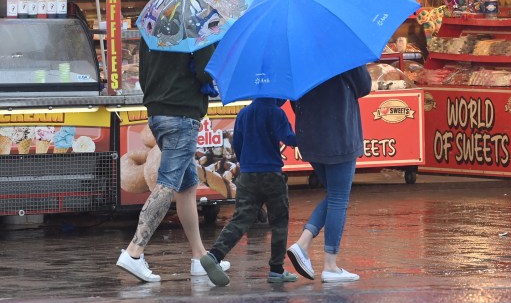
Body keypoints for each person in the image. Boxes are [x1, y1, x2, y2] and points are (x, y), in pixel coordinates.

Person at [116, 39, 227, 282]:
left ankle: (199, 257)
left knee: (187, 186)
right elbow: (205, 71)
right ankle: (134, 252)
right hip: (183, 114)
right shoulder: (197, 28)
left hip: (157, 114)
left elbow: (144, 76)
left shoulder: (153, 27)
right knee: (168, 184)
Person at [199, 98, 299, 286]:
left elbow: (237, 144)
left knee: (240, 220)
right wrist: (301, 124)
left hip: (247, 175)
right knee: (279, 222)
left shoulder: (244, 113)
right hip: (272, 175)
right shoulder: (276, 113)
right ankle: (277, 270)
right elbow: (290, 139)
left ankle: (214, 255)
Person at [286, 65, 372, 283]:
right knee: (338, 198)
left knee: (334, 194)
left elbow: (290, 96)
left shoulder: (299, 51)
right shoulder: (343, 48)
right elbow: (364, 86)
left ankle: (303, 245)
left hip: (310, 135)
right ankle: (330, 265)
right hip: (339, 133)